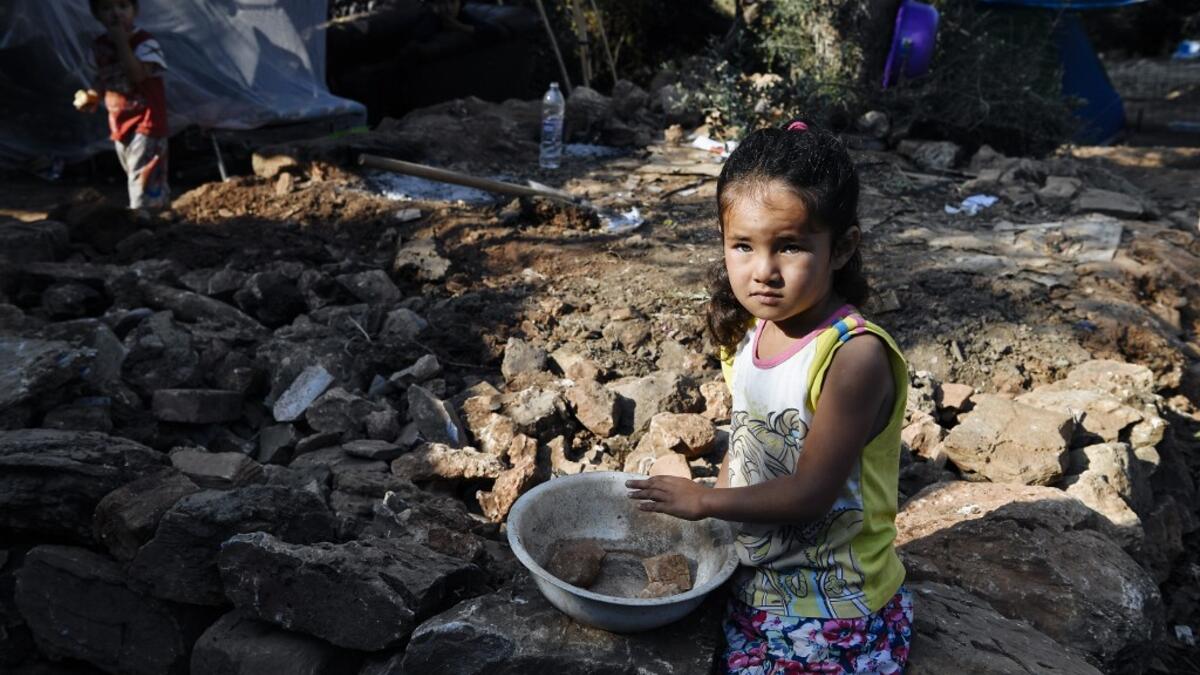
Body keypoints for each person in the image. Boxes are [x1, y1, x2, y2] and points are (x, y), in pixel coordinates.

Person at [627, 118, 913, 673]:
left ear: (841, 247)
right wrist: (718, 519)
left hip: (832, 602)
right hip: (758, 575)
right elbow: (747, 438)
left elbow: (811, 494)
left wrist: (704, 501)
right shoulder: (750, 330)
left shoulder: (852, 357)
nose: (763, 272)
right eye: (743, 245)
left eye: (789, 247)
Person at [74, 0, 169, 211]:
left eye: (123, 6)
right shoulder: (99, 47)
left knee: (141, 177)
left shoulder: (144, 43)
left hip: (147, 122)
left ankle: (143, 222)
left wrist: (121, 43)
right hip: (119, 123)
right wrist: (91, 97)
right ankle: (159, 214)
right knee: (138, 175)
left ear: (135, 10)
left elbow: (137, 75)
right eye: (106, 8)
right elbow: (101, 79)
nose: (116, 13)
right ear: (97, 15)